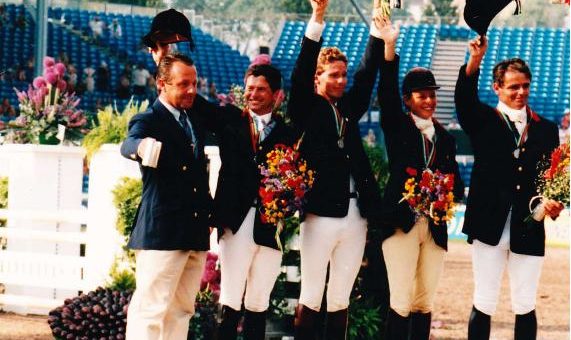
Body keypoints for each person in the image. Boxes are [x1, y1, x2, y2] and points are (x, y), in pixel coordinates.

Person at [455, 36, 564, 340]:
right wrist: (474, 60)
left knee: (525, 301)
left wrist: (556, 201)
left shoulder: (545, 128)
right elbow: (463, 99)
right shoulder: (482, 120)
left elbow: (552, 177)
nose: (520, 92)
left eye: (525, 86)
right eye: (513, 86)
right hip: (488, 220)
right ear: (497, 88)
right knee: (485, 298)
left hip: (529, 224)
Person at [287, 0, 384, 338]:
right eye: (334, 75)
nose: (342, 80)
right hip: (321, 213)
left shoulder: (348, 107)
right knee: (312, 294)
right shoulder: (306, 107)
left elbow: (367, 74)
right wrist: (317, 18)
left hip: (356, 213)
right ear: (318, 77)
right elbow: (299, 71)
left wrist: (377, 27)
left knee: (341, 295)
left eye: (343, 74)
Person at [377, 20, 464, 339]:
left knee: (424, 301)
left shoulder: (446, 138)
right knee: (400, 300)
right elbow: (385, 93)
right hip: (402, 223)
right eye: (421, 95)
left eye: (432, 94)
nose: (428, 100)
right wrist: (389, 48)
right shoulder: (398, 126)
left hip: (434, 226)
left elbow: (457, 184)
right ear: (407, 99)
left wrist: (445, 194)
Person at [121, 53, 212, 340]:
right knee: (150, 312)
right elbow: (130, 143)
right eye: (183, 84)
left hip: (194, 230)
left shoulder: (192, 119)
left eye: (194, 83)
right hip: (163, 231)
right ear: (162, 84)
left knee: (181, 311)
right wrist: (142, 147)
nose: (191, 90)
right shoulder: (148, 119)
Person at [214, 64, 297, 340]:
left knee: (259, 301)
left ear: (277, 95)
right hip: (235, 223)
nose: (254, 94)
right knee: (230, 298)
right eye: (250, 88)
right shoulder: (230, 120)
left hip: (268, 225)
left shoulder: (287, 132)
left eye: (261, 89)